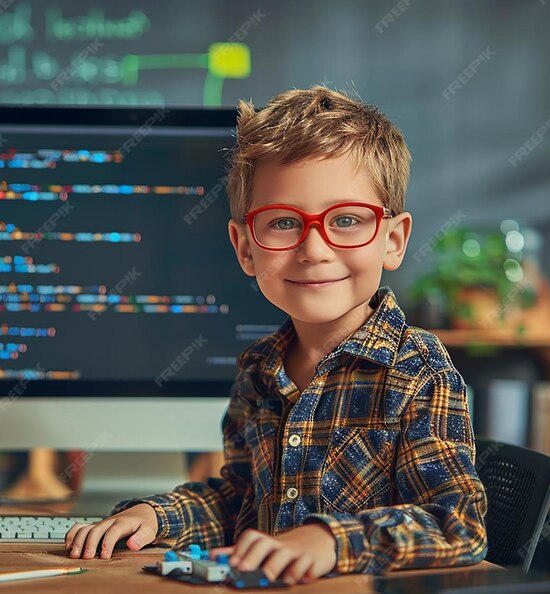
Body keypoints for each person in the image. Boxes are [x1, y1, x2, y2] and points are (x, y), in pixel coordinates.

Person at [64, 86, 488, 585]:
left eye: (347, 220)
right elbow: (241, 497)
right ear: (245, 248)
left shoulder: (417, 369)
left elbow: (456, 524)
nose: (313, 249)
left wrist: (332, 541)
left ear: (392, 241)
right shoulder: (258, 368)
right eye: (284, 222)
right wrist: (158, 517)